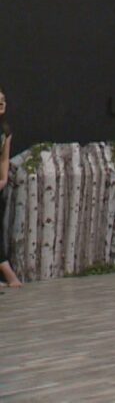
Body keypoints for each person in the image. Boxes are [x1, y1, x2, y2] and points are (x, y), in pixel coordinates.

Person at [0, 88, 22, 287]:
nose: (1, 104)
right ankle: (6, 270)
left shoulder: (5, 131)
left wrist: (3, 179)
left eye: (3, 101)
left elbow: (4, 157)